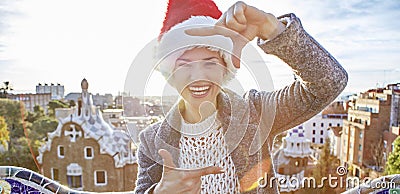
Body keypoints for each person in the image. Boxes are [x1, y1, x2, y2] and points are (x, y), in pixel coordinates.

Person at [134, 0, 348, 193]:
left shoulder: (255, 113)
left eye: (210, 62)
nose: (198, 76)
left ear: (225, 68)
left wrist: (272, 29)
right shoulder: (151, 140)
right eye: (184, 65)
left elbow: (328, 83)